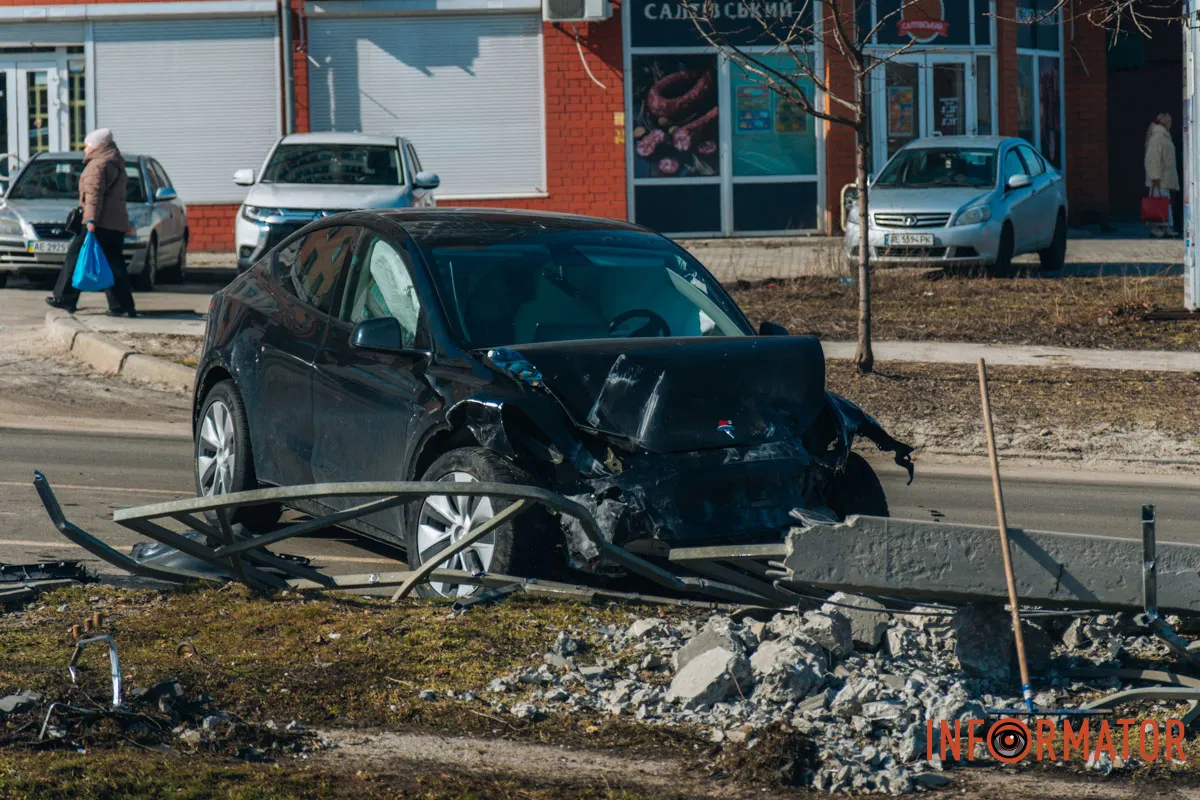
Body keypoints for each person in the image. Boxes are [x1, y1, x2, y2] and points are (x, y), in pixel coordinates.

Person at [46, 128, 137, 316]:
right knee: (114, 264)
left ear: (97, 146)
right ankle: (122, 306)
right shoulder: (116, 164)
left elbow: (93, 196)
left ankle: (64, 298)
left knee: (75, 256)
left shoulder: (97, 165)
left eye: (87, 145)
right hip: (114, 224)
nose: (84, 149)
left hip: (98, 223)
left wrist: (90, 221)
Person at [1144, 112, 1179, 239]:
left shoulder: (1163, 136)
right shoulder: (1158, 137)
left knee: (1164, 203)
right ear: (1165, 123)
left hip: (1163, 177)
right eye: (1169, 122)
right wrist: (1155, 176)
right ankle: (1157, 227)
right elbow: (1153, 158)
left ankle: (1164, 227)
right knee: (1159, 203)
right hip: (1159, 178)